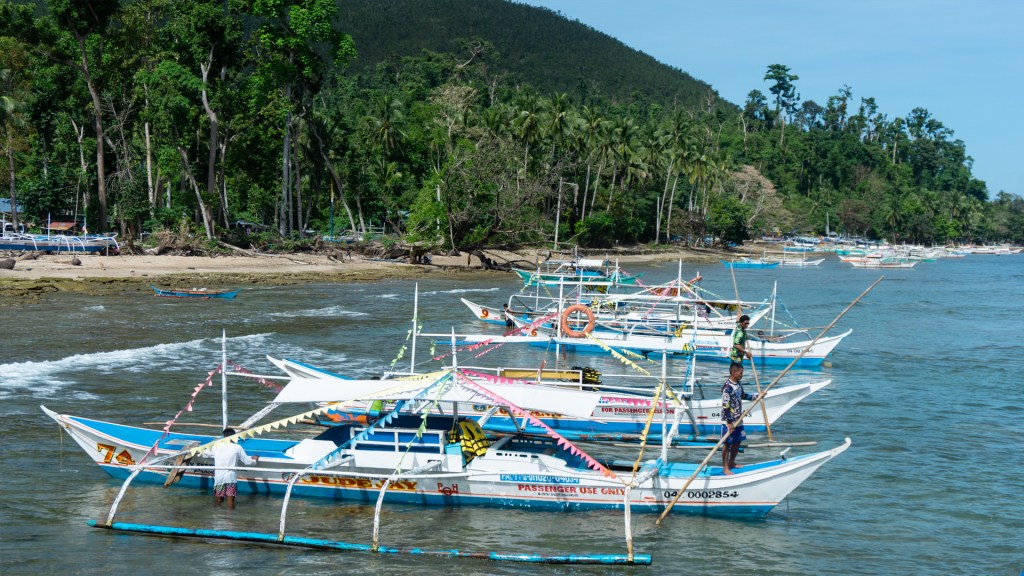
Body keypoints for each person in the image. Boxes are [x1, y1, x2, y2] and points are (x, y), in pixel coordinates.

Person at [205, 428, 258, 509]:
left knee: (218, 500)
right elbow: (248, 462)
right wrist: (255, 459)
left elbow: (205, 453)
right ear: (234, 436)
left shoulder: (216, 447)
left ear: (224, 436)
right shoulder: (237, 447)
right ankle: (229, 519)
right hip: (230, 477)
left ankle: (216, 517)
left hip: (219, 477)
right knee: (230, 501)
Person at [721, 363, 756, 475]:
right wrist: (729, 422)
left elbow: (743, 396)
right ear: (734, 372)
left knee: (738, 441)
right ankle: (725, 467)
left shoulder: (738, 384)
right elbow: (725, 405)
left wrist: (756, 396)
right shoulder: (727, 387)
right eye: (740, 373)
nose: (742, 375)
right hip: (728, 420)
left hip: (738, 417)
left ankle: (732, 462)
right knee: (727, 443)